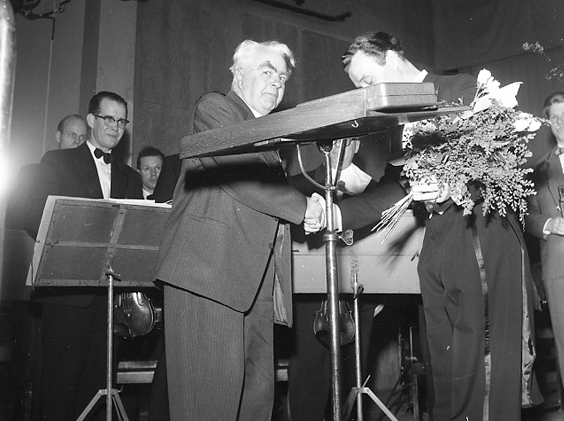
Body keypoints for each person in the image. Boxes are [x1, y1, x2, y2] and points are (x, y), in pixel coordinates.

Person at [332, 32, 541, 420]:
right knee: (446, 369)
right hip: (440, 242)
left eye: (367, 80)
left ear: (393, 57)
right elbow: (397, 186)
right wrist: (336, 215)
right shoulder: (394, 116)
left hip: (481, 234)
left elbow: (505, 158)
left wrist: (455, 184)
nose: (366, 92)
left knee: (483, 368)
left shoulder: (459, 89)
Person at [155, 39, 323, 421]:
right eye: (268, 70)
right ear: (239, 72)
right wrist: (304, 208)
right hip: (208, 279)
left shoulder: (266, 137)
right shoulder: (215, 107)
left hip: (253, 288)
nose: (277, 82)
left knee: (255, 405)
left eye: (283, 77)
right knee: (208, 408)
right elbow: (242, 177)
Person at [25, 91, 143, 421]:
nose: (115, 127)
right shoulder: (57, 161)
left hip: (109, 301)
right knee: (60, 391)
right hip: (67, 294)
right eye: (108, 118)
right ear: (91, 120)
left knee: (97, 389)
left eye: (121, 121)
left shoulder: (130, 177)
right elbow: (34, 213)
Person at [286, 138, 380, 421]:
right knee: (308, 388)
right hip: (308, 305)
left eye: (347, 142)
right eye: (333, 141)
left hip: (357, 303)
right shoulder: (294, 187)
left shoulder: (376, 190)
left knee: (352, 387)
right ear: (322, 147)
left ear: (357, 146)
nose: (339, 148)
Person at [526, 92, 564, 408]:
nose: (561, 122)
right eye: (554, 117)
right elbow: (525, 217)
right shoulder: (538, 169)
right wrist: (549, 224)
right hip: (559, 270)